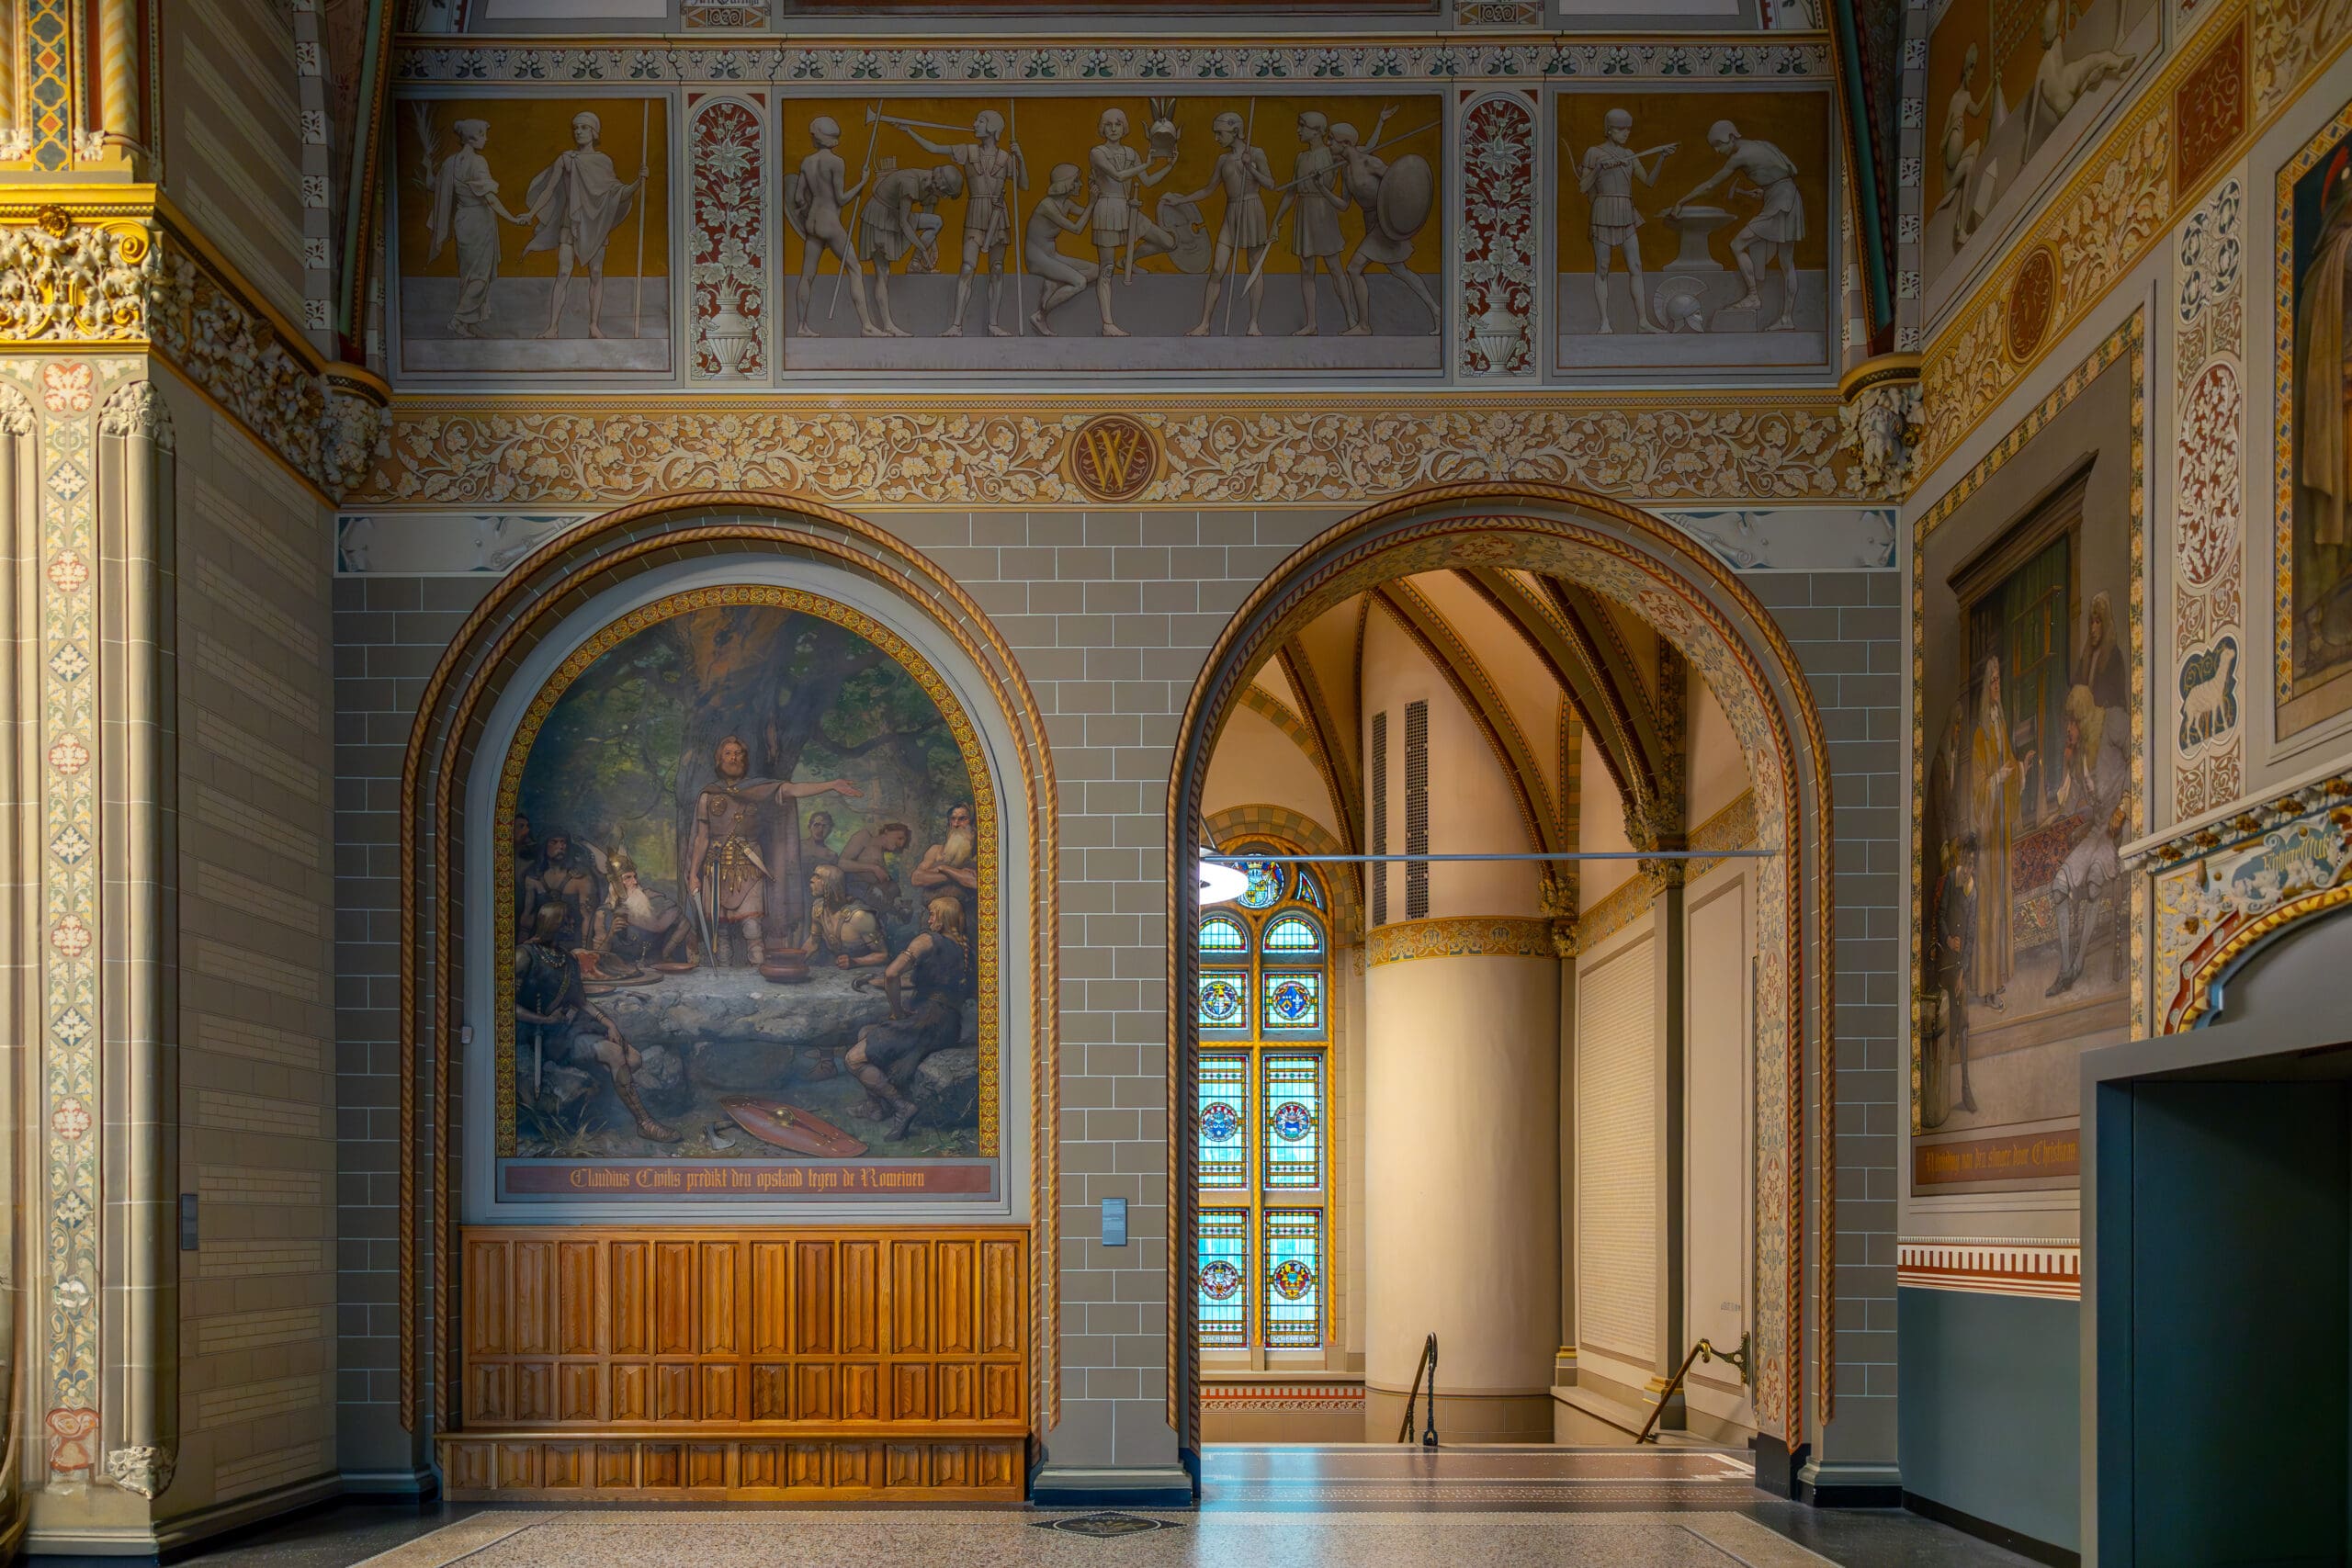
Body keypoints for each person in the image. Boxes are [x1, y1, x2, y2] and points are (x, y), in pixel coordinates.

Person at [684, 735, 864, 968]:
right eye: (728, 753)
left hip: (749, 867)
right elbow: (702, 838)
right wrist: (693, 874)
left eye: (738, 753)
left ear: (745, 759)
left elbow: (793, 789)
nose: (733, 757)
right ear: (719, 760)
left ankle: (758, 978)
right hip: (715, 868)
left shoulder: (759, 789)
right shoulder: (708, 795)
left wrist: (830, 785)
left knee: (752, 928)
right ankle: (725, 979)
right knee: (722, 930)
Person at [514, 901, 678, 1143]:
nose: (572, 923)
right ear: (553, 923)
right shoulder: (524, 955)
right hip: (539, 1034)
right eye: (568, 919)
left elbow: (580, 1001)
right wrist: (544, 1019)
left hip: (567, 1029)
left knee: (634, 1059)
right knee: (615, 1056)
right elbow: (506, 1004)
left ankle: (600, 1099)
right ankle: (644, 1122)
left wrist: (609, 1023)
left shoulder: (567, 959)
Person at [877, 108, 1027, 338]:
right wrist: (910, 131)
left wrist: (1021, 159)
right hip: (976, 211)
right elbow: (934, 148)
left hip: (999, 215)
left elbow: (1023, 185)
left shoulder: (1006, 158)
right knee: (967, 267)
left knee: (996, 269)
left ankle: (993, 324)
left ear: (993, 128)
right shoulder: (967, 151)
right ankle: (956, 325)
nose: (974, 123)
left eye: (981, 121)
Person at [843, 896, 971, 1140]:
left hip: (924, 1021)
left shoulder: (927, 940)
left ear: (944, 919)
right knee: (865, 1033)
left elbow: (892, 972)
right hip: (947, 1026)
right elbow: (914, 982)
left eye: (934, 914)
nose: (929, 918)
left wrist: (897, 1012)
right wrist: (874, 980)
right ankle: (875, 1106)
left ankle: (902, 1106)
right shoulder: (964, 950)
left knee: (853, 1059)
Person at [515, 110, 648, 341]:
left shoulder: (604, 161)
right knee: (564, 272)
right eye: (575, 128)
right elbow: (548, 190)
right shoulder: (566, 159)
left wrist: (638, 181)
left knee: (596, 273)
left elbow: (618, 194)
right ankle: (552, 328)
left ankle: (594, 326)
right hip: (571, 221)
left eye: (584, 127)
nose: (578, 131)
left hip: (597, 224)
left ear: (594, 132)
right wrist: (532, 212)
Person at [1668, 120, 1805, 332]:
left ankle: (1753, 296)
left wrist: (1681, 201)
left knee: (1737, 244)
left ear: (1731, 137)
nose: (1717, 150)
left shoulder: (1740, 156)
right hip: (1789, 197)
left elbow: (1710, 185)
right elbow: (1789, 170)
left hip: (1779, 203)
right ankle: (1787, 319)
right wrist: (1767, 189)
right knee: (1787, 264)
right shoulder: (1763, 144)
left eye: (1718, 144)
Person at [2045, 684, 2129, 998]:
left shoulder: (2114, 722)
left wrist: (2127, 804)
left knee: (2094, 879)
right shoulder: (2080, 757)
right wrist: (2067, 765)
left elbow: (2139, 754)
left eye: (2071, 722)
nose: (2068, 729)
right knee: (2058, 886)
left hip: (2120, 826)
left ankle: (2079, 962)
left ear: (2081, 718)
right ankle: (2066, 967)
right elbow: (2069, 807)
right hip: (2096, 830)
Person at [1330, 110, 1442, 337]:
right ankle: (1437, 310)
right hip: (1371, 222)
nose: (1328, 143)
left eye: (1331, 139)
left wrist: (1398, 217)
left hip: (1384, 222)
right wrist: (1321, 189)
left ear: (1345, 143)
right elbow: (1343, 205)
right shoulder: (1345, 169)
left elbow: (1400, 185)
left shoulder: (1371, 162)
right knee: (1400, 270)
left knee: (1353, 268)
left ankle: (1364, 326)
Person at [1172, 111, 1278, 338]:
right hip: (1232, 212)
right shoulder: (1223, 159)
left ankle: (1253, 324)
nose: (1216, 138)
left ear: (1236, 131)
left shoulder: (1256, 153)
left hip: (1252, 209)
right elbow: (1209, 189)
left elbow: (1270, 184)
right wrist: (1181, 200)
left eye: (1219, 133)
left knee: (1254, 266)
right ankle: (1204, 324)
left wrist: (1251, 168)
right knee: (1218, 268)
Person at [1575, 107, 1677, 334]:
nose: (1625, 133)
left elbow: (1649, 182)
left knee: (1636, 267)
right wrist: (1599, 168)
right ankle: (1604, 323)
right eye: (1621, 129)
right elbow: (1583, 187)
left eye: (1628, 129)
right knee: (1602, 268)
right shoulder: (1594, 152)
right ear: (1608, 129)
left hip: (1626, 211)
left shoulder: (1630, 153)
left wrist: (1661, 157)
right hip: (1603, 211)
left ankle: (1643, 322)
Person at [1967, 659, 2033, 1010]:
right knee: (1989, 908)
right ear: (1985, 689)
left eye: (1998, 680)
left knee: (2001, 903)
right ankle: (1986, 986)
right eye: (1993, 681)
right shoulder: (1980, 735)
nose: (1997, 686)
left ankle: (1999, 976)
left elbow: (2008, 766)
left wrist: (2020, 770)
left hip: (2001, 835)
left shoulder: (2001, 726)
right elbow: (1977, 789)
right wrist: (1998, 779)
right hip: (1989, 839)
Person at [426, 118, 524, 337]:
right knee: (480, 275)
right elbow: (490, 198)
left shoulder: (450, 162)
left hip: (462, 221)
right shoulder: (478, 162)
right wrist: (513, 218)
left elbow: (432, 186)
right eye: (483, 135)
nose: (486, 139)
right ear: (472, 137)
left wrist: (426, 166)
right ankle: (458, 319)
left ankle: (468, 323)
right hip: (479, 222)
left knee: (468, 275)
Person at [790, 116, 885, 338]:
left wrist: (809, 211)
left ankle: (801, 326)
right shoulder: (836, 162)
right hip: (829, 222)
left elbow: (798, 198)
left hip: (812, 222)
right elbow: (841, 199)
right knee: (855, 269)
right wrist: (862, 183)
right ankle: (867, 326)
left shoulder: (807, 162)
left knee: (807, 275)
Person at [1088, 107, 1178, 338]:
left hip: (1129, 210)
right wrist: (1147, 164)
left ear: (1124, 127)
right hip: (1107, 209)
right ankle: (1108, 324)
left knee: (1168, 242)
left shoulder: (1131, 152)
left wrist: (1168, 167)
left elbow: (1146, 182)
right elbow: (1118, 177)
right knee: (1106, 270)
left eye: (1118, 124)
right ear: (1102, 128)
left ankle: (1128, 259)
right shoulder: (1097, 152)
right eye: (1109, 124)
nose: (1114, 128)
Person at [857, 164, 964, 338]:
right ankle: (888, 325)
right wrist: (924, 252)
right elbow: (904, 223)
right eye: (944, 193)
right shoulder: (911, 183)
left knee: (936, 222)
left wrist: (932, 245)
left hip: (896, 216)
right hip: (879, 217)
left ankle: (914, 264)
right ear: (938, 185)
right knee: (882, 271)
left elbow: (928, 222)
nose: (942, 197)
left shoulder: (931, 186)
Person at [1271, 111, 1348, 336]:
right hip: (1304, 213)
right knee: (1306, 271)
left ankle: (1352, 318)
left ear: (1317, 131)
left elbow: (1359, 149)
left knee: (1335, 268)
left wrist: (1380, 123)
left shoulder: (1332, 154)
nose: (1298, 130)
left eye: (1302, 126)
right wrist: (1275, 221)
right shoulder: (1300, 158)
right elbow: (1290, 193)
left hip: (1323, 213)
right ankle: (1312, 324)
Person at [2025, 0, 2138, 152]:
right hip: (2065, 85)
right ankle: (2117, 62)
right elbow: (2032, 114)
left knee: (2093, 74)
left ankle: (2112, 65)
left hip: (2063, 106)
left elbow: (2033, 111)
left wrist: (2027, 149)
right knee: (2096, 60)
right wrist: (2027, 148)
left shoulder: (2044, 63)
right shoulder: (2045, 63)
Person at [1024, 164, 1098, 335]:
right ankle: (1040, 315)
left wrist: (1100, 194)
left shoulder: (1067, 204)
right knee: (1080, 282)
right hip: (1038, 258)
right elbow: (1077, 229)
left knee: (1096, 270)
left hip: (1051, 256)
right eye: (1077, 181)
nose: (1080, 185)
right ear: (1067, 183)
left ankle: (1054, 281)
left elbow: (1088, 214)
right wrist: (1092, 203)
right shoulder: (1047, 206)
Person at [1931, 45, 1993, 245]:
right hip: (1949, 176)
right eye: (1971, 73)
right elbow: (1940, 147)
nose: (1972, 78)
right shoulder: (1955, 100)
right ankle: (1960, 228)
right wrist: (1952, 129)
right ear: (1965, 71)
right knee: (1970, 165)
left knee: (1976, 147)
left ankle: (1963, 215)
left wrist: (1992, 86)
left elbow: (1976, 111)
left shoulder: (1966, 98)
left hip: (1955, 162)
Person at [596, 849, 692, 966]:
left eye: (634, 876)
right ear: (617, 883)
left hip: (656, 967)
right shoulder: (603, 914)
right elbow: (597, 957)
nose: (635, 882)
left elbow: (685, 923)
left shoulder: (655, 901)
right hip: (623, 970)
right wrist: (610, 935)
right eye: (628, 877)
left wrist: (666, 952)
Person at [523, 826, 601, 950]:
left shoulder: (581, 877)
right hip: (540, 944)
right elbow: (528, 916)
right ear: (544, 846)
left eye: (563, 842)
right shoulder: (533, 877)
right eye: (554, 842)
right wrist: (522, 945)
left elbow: (588, 916)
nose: (561, 846)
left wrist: (584, 951)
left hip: (573, 944)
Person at [807, 863, 889, 970]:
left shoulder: (860, 917)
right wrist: (794, 961)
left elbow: (883, 955)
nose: (811, 880)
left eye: (818, 877)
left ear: (831, 883)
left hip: (863, 971)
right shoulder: (818, 909)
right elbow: (813, 943)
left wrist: (855, 961)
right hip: (836, 972)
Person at [839, 820, 914, 916]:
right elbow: (842, 863)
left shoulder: (881, 853)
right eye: (899, 838)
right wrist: (874, 868)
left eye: (903, 842)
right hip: (857, 890)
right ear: (887, 831)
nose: (901, 843)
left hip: (874, 898)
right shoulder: (864, 836)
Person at [2077, 591, 2127, 716]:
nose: (2093, 629)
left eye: (2098, 622)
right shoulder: (2087, 656)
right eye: (2091, 622)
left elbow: (2117, 701)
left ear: (2105, 624)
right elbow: (2076, 687)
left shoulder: (2114, 657)